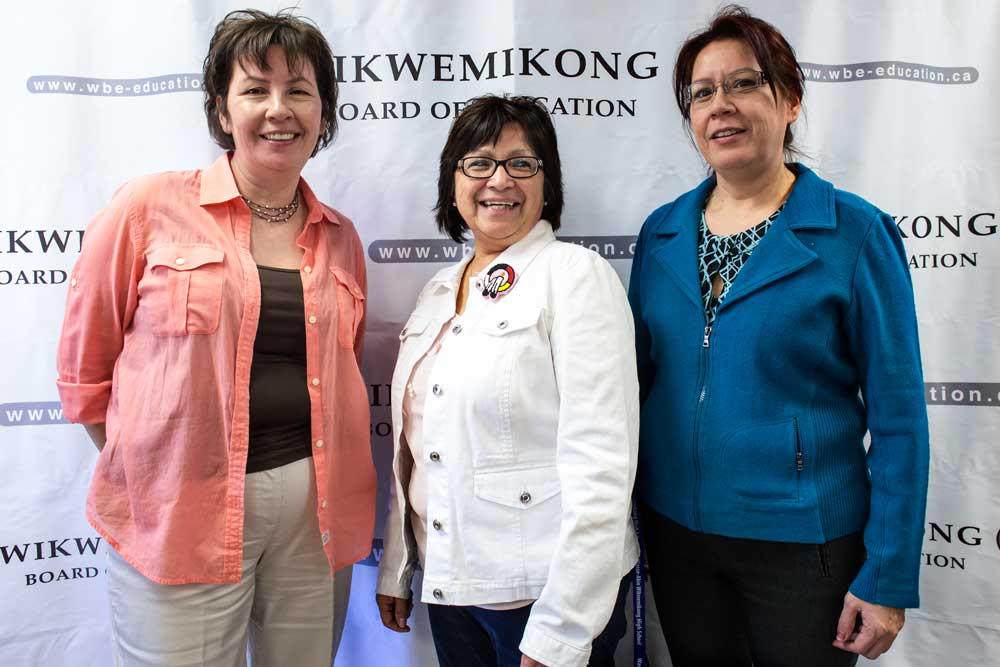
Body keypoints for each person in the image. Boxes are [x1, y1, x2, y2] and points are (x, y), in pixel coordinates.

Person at [55, 10, 374, 666]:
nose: (279, 109)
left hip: (313, 521)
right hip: (181, 518)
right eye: (256, 89)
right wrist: (154, 474)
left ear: (324, 114)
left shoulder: (341, 237)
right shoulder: (147, 209)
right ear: (223, 112)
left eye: (301, 91)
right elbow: (86, 375)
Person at [628, 5, 929, 666]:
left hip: (805, 545)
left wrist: (887, 578)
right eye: (702, 93)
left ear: (789, 100)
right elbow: (636, 385)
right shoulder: (662, 234)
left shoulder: (854, 233)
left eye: (743, 84)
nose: (721, 106)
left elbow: (901, 418)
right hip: (679, 535)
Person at [374, 95, 639, 667]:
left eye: (522, 163)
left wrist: (561, 631)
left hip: (543, 596)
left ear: (548, 185)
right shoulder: (438, 292)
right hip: (453, 590)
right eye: (479, 162)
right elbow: (417, 449)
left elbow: (603, 465)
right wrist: (399, 563)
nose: (500, 179)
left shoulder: (575, 277)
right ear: (453, 183)